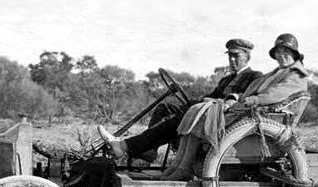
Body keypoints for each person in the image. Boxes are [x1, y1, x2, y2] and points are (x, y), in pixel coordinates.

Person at [161, 33, 309, 180]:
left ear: (294, 54)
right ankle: (178, 167)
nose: (281, 55)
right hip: (250, 112)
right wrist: (237, 98)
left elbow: (273, 95)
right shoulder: (277, 72)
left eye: (285, 52)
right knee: (196, 112)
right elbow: (253, 91)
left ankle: (183, 168)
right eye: (278, 52)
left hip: (260, 119)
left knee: (202, 116)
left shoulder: (296, 75)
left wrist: (248, 101)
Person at [98, 38, 262, 161]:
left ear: (247, 57)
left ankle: (126, 145)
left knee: (180, 118)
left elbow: (246, 98)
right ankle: (149, 151)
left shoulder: (254, 76)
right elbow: (212, 95)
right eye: (230, 56)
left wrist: (229, 99)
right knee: (166, 107)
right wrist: (202, 100)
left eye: (236, 56)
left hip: (223, 121)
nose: (232, 60)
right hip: (209, 113)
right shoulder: (226, 79)